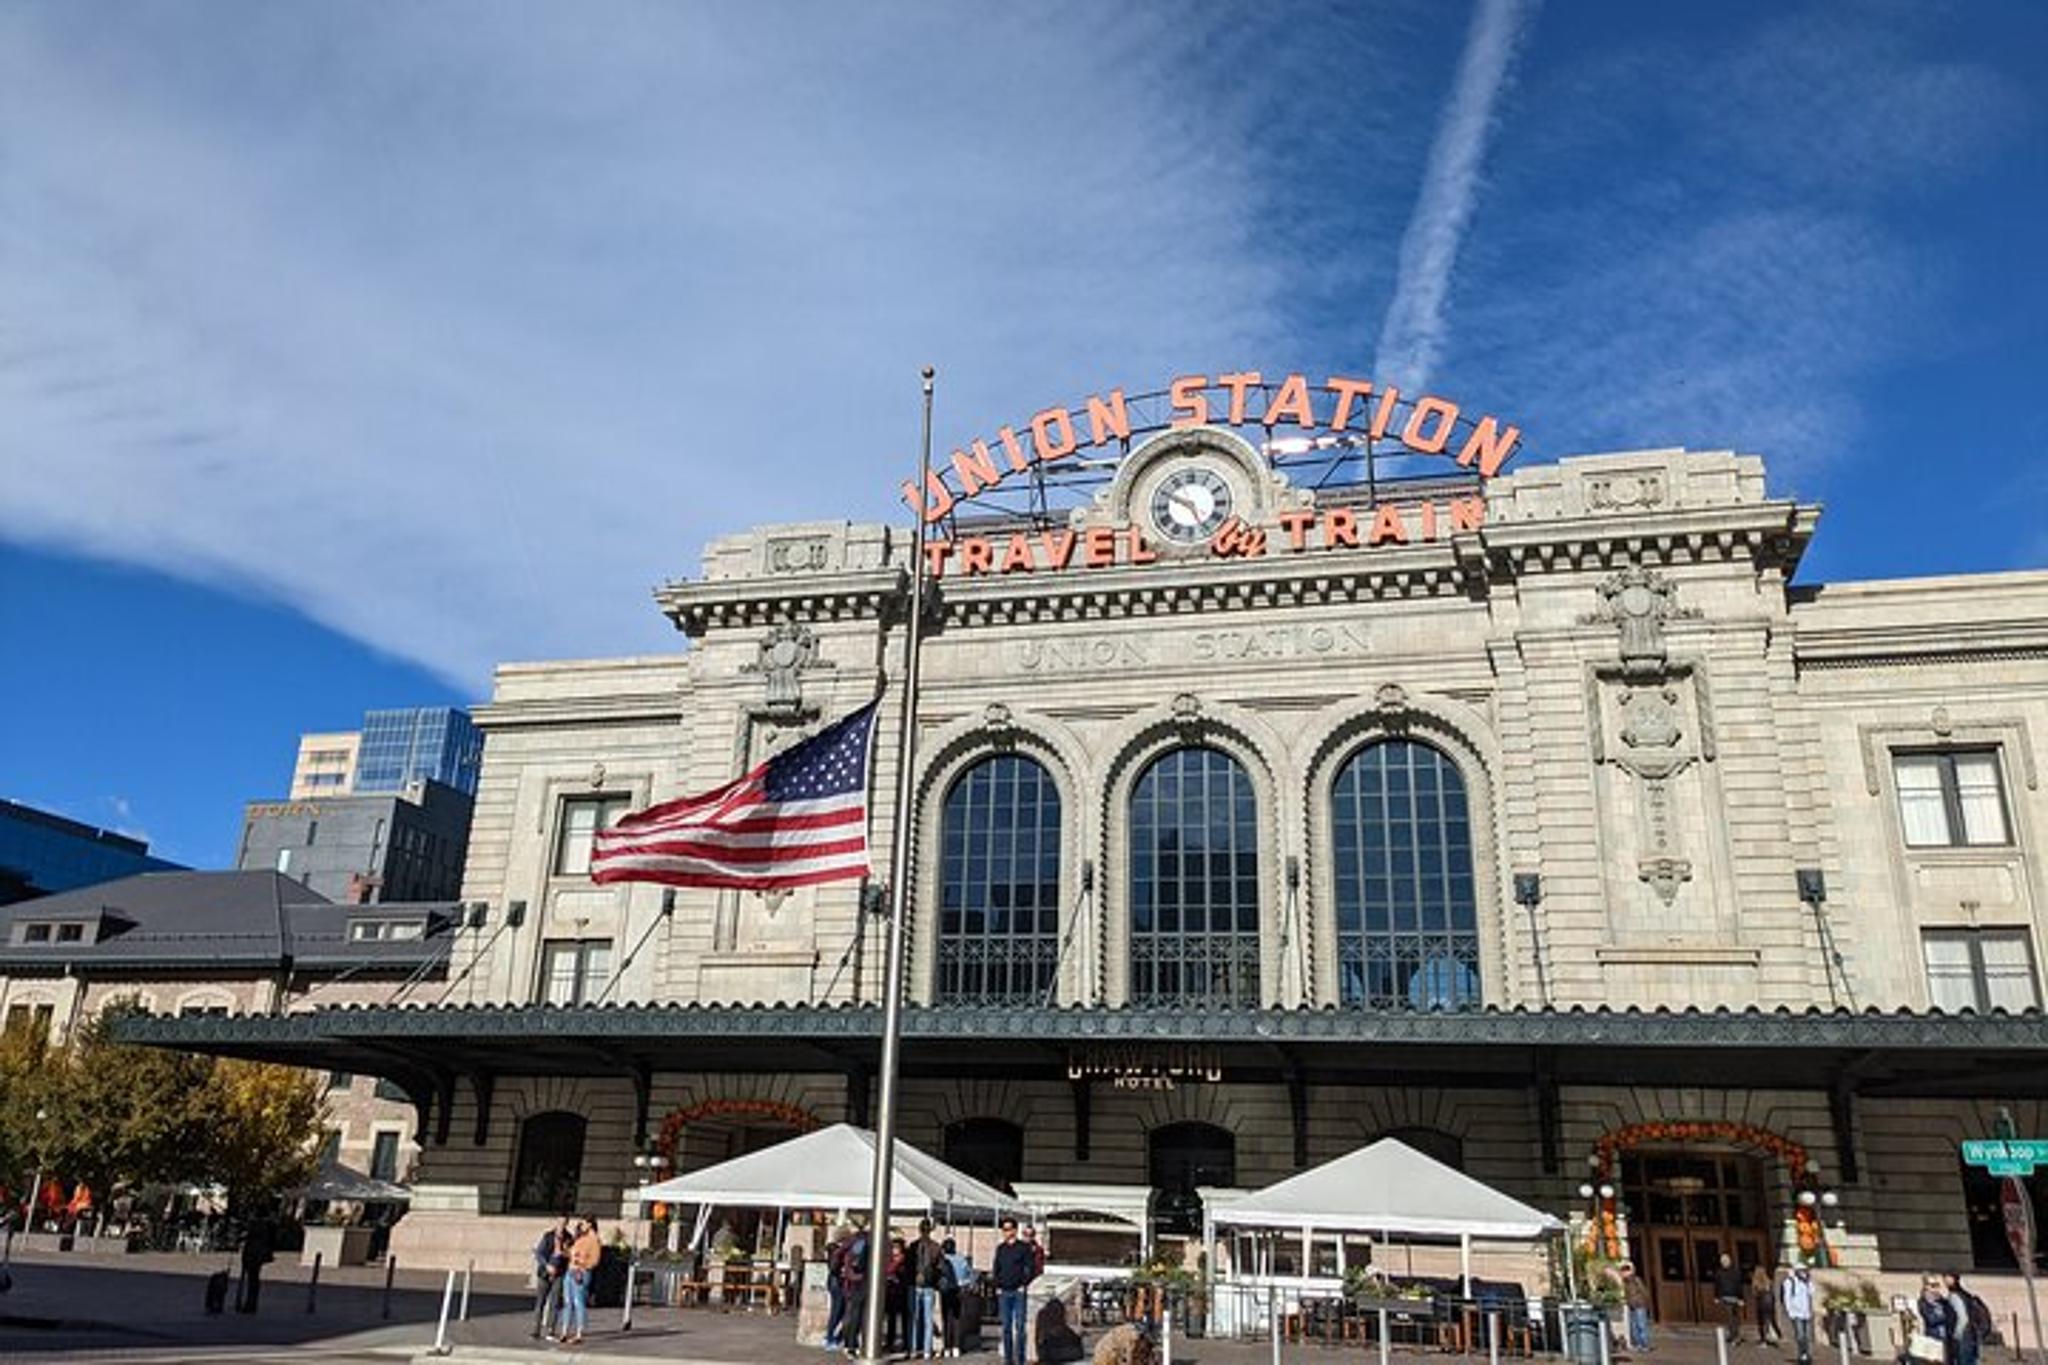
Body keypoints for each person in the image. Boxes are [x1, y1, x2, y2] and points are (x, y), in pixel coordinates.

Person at [993, 1216, 1039, 1365]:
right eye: (1003, 1229)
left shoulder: (1023, 1248)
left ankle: (1020, 1359)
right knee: (1006, 1327)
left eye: (1008, 1229)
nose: (1005, 1232)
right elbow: (996, 1268)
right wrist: (997, 1286)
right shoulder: (1000, 1249)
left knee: (1020, 1327)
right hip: (1004, 1292)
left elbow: (1030, 1268)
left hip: (1018, 1292)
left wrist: (1024, 1284)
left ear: (1014, 1230)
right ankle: (1008, 1360)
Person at [561, 1215, 601, 1347]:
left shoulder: (594, 1240)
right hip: (570, 1270)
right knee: (568, 1302)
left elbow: (594, 1261)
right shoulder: (580, 1237)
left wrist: (582, 1265)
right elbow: (572, 1253)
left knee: (579, 1302)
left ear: (589, 1224)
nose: (581, 1226)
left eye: (583, 1224)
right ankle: (564, 1331)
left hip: (581, 1272)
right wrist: (567, 1250)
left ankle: (579, 1333)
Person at [531, 1217, 569, 1340]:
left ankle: (550, 1329)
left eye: (564, 1223)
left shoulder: (569, 1238)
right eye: (560, 1223)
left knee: (555, 1302)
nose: (561, 1225)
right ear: (556, 1223)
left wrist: (563, 1253)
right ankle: (536, 1329)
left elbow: (571, 1255)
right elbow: (539, 1253)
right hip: (545, 1273)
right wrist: (547, 1265)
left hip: (559, 1274)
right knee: (540, 1302)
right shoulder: (548, 1236)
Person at [911, 1219, 944, 1359]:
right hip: (929, 1285)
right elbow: (940, 1267)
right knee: (928, 1319)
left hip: (916, 1285)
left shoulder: (914, 1246)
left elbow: (908, 1265)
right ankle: (926, 1350)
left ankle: (914, 1348)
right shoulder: (936, 1247)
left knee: (915, 1318)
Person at [840, 1221, 870, 1358]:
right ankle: (852, 1345)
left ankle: (851, 1344)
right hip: (861, 1282)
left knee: (853, 1315)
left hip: (853, 1282)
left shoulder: (852, 1245)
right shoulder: (862, 1244)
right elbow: (858, 1264)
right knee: (858, 1315)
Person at [236, 1210, 276, 1314]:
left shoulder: (257, 1225)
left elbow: (249, 1236)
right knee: (254, 1280)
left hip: (253, 1255)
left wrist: (242, 1236)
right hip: (257, 1255)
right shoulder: (266, 1225)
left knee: (252, 1280)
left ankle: (250, 1304)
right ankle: (251, 1303)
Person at [940, 1236, 972, 1359]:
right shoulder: (961, 1259)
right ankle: (956, 1347)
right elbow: (969, 1274)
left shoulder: (942, 1259)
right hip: (959, 1290)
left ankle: (947, 1347)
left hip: (946, 1291)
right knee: (957, 1319)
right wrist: (965, 1283)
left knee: (946, 1319)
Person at [1945, 1271, 1987, 1365]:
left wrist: (1956, 1335)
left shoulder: (1954, 1296)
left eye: (1947, 1279)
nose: (1945, 1281)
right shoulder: (1966, 1295)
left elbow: (1963, 1318)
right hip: (1972, 1335)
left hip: (1963, 1338)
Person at [1781, 1265, 1816, 1365]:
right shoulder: (1790, 1282)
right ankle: (1802, 1354)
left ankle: (1808, 1354)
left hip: (1806, 1312)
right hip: (1796, 1313)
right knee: (1800, 1335)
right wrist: (1789, 1311)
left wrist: (1809, 1281)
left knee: (1808, 1336)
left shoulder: (1806, 1282)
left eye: (1805, 1271)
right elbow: (1787, 1297)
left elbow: (1812, 1292)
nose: (1803, 1273)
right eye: (1801, 1271)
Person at [824, 1225, 851, 1350]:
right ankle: (830, 1337)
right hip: (838, 1282)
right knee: (837, 1310)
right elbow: (834, 1267)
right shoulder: (837, 1249)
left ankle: (832, 1336)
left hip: (834, 1281)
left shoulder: (833, 1248)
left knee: (839, 1310)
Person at [1919, 1274, 1956, 1365]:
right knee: (1934, 1361)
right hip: (1934, 1337)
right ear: (1926, 1288)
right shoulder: (1924, 1303)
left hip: (1945, 1338)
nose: (1935, 1289)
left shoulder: (1942, 1302)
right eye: (1933, 1286)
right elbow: (1931, 1319)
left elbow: (1953, 1314)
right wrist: (1945, 1317)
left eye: (1937, 1286)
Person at [884, 1235, 911, 1352]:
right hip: (891, 1291)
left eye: (897, 1247)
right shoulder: (889, 1258)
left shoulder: (904, 1260)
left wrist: (897, 1262)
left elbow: (890, 1270)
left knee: (904, 1318)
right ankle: (890, 1341)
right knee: (891, 1318)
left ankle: (906, 1342)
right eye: (893, 1247)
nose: (895, 1249)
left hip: (902, 1292)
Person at [1621, 1261, 1653, 1352]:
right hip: (1632, 1306)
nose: (1623, 1274)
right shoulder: (1625, 1282)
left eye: (1624, 1272)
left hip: (1639, 1305)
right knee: (1634, 1326)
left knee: (1641, 1325)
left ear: (1629, 1272)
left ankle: (1645, 1345)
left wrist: (1646, 1303)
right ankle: (1638, 1344)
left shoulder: (1636, 1280)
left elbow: (1644, 1291)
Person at [1713, 1254, 1744, 1342]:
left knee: (1732, 1317)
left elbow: (1718, 1286)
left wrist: (1716, 1297)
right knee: (1733, 1317)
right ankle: (1735, 1334)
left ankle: (1734, 1335)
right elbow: (1717, 1285)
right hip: (1731, 1297)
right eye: (1723, 1261)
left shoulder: (1720, 1273)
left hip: (1728, 1297)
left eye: (1725, 1261)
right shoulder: (1734, 1272)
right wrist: (1741, 1298)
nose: (1724, 1263)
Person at [1751, 1264, 1780, 1346]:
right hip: (1769, 1305)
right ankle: (1777, 1334)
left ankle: (1764, 1339)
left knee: (1762, 1323)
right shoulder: (1769, 1282)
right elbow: (1773, 1294)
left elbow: (1755, 1294)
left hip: (1761, 1305)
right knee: (1771, 1320)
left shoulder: (1756, 1283)